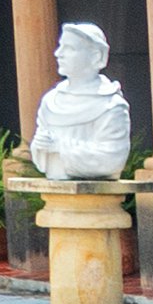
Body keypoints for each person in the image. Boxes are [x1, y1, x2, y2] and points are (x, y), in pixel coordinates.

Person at [23, 21, 131, 184]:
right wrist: (40, 146)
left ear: (96, 56)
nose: (59, 54)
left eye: (70, 49)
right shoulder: (51, 101)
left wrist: (60, 147)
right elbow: (41, 151)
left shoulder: (111, 105)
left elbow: (112, 159)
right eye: (60, 47)